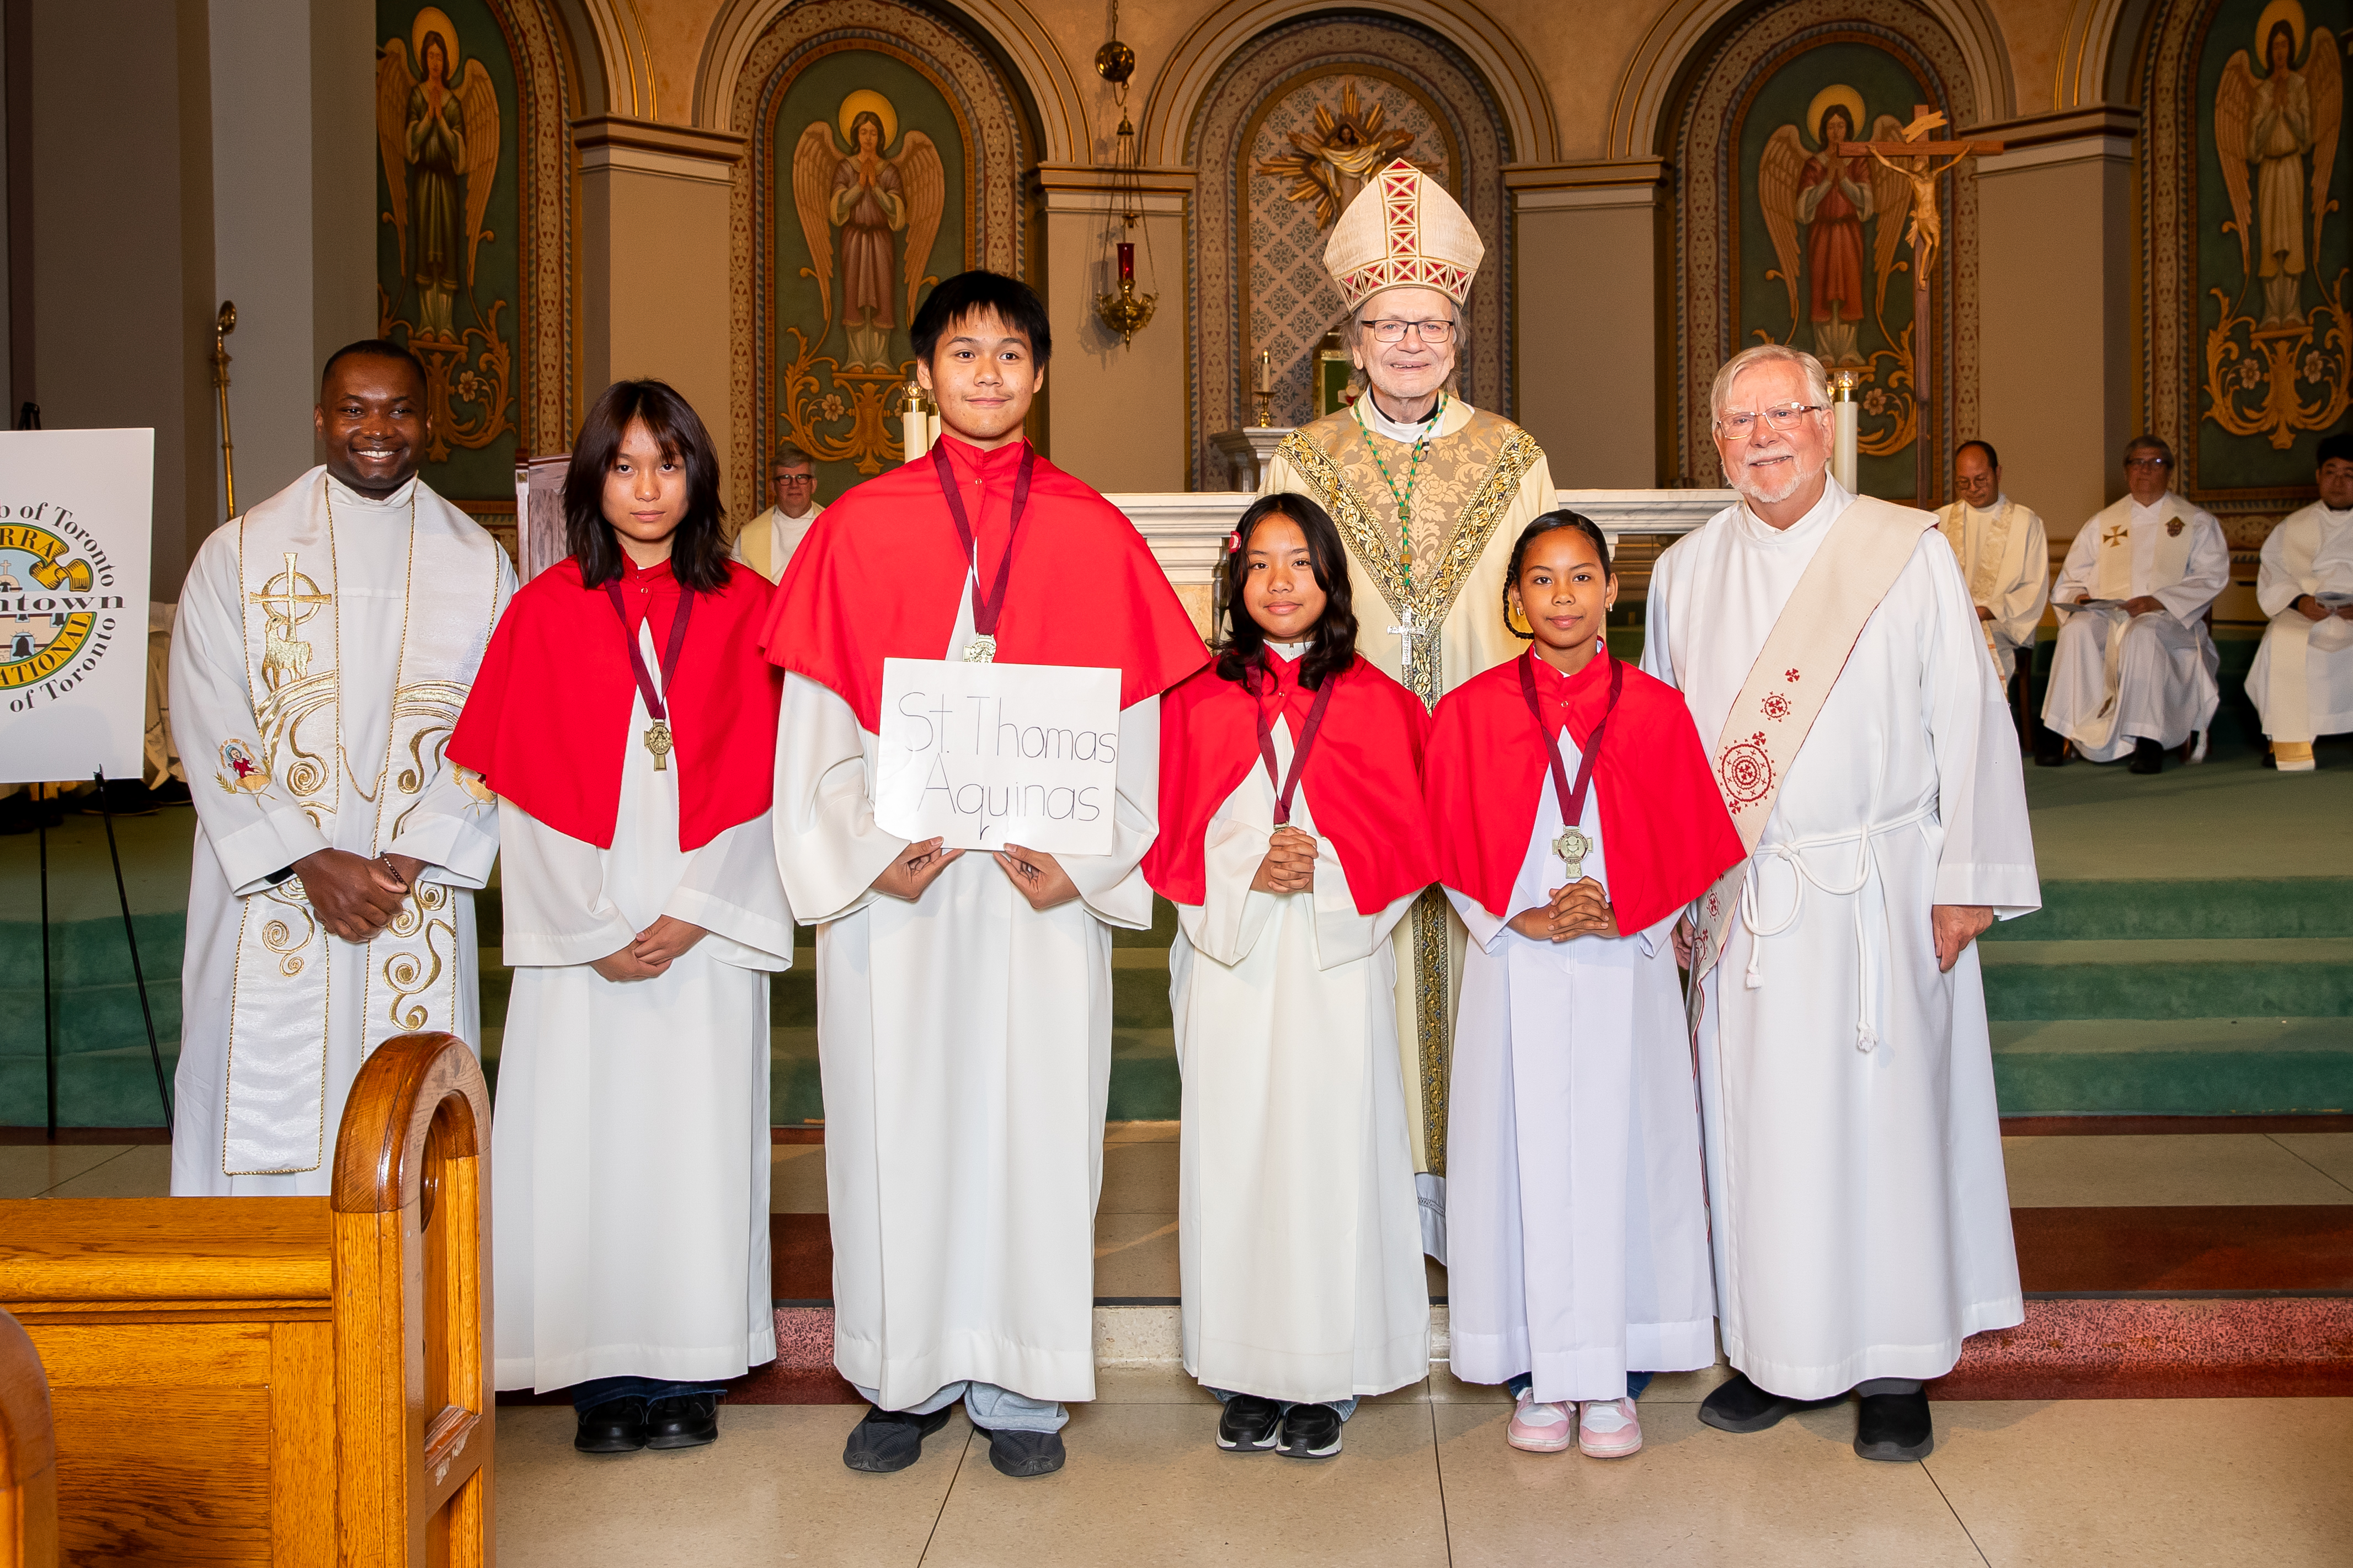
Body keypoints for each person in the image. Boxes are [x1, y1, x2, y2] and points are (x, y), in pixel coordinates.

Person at [765, 270, 1205, 1480]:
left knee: (1030, 1122)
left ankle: (1019, 1379)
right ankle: (899, 1374)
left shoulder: (1089, 527)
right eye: (963, 353)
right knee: (892, 1120)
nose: (988, 374)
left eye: (1011, 353)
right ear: (922, 373)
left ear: (1041, 373)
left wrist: (1088, 858)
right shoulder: (859, 527)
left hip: (1032, 893)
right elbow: (812, 723)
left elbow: (1135, 733)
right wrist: (862, 852)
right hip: (900, 893)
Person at [1644, 344, 2039, 1463]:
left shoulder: (1900, 551)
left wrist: (1967, 878)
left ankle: (1890, 1361)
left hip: (1882, 893)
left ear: (1827, 424)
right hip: (1749, 902)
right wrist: (1677, 886)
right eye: (1736, 418)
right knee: (1761, 1132)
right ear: (1711, 437)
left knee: (1884, 1131)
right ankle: (1776, 1351)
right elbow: (1671, 751)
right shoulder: (1683, 570)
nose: (1760, 435)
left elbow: (1966, 716)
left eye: (1783, 412)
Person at [450, 379, 789, 1453]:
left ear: (700, 474)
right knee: (583, 1143)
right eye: (626, 464)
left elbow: (772, 778)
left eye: (669, 462)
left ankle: (689, 1365)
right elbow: (521, 787)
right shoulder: (545, 608)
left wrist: (695, 911)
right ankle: (599, 1373)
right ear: (595, 478)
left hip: (703, 918)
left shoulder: (746, 603)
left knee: (695, 1141)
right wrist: (589, 925)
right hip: (584, 930)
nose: (648, 487)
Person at [1260, 157, 1555, 1259]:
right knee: (1366, 970)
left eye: (1429, 323)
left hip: (1485, 758)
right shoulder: (1304, 456)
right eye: (1387, 324)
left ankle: (1480, 1199)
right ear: (1351, 334)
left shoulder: (1512, 455)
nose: (1409, 343)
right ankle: (1380, 1204)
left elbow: (1549, 608)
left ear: (1457, 329)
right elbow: (1274, 607)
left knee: (1480, 962)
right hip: (1355, 764)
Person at [1428, 513, 1742, 1462]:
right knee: (1517, 1155)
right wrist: (1513, 912)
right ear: (1514, 600)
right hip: (1514, 960)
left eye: (1580, 578)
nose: (1561, 596)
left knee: (1625, 1153)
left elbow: (1689, 837)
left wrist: (1631, 907)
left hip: (1623, 961)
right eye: (1540, 580)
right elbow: (1444, 835)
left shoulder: (1654, 708)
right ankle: (1534, 1371)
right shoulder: (1475, 710)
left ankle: (1614, 1371)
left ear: (1611, 591)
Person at [168, 340, 513, 1195]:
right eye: (354, 408)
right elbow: (213, 720)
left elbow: (495, 723)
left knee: (405, 1121)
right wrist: (305, 855)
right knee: (257, 1096)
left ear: (430, 425)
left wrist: (406, 857)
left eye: (398, 409)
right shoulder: (238, 555)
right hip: (275, 883)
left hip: (412, 887)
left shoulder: (480, 565)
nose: (376, 429)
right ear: (320, 418)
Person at [1145, 494, 1435, 1460]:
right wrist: (1240, 866)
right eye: (1260, 563)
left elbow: (1410, 834)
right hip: (1231, 958)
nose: (1279, 582)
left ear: (1330, 580)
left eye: (1299, 563)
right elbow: (1164, 829)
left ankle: (1325, 1372)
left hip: (1330, 958)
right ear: (1235, 580)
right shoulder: (1192, 698)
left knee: (1328, 1155)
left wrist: (1332, 869)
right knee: (1235, 1154)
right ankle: (1243, 1368)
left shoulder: (1382, 703)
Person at [2039, 436, 2228, 774]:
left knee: (2143, 633)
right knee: (2078, 630)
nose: (2144, 470)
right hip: (2111, 617)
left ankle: (2148, 741)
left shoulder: (2195, 522)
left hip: (2170, 622)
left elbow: (2210, 576)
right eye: (2136, 463)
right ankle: (2058, 730)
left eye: (2154, 463)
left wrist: (2159, 601)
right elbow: (2071, 580)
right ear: (2126, 472)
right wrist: (2081, 599)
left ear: (2169, 471)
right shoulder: (2103, 523)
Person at [2249, 430, 2353, 770]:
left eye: (2349, 474)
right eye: (2331, 472)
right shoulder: (2293, 526)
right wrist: (2299, 602)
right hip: (2310, 613)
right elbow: (2274, 574)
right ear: (2318, 476)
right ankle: (2286, 739)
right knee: (2278, 640)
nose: (2338, 482)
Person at [1934, 440, 2050, 688]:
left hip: (2001, 624)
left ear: (1997, 473)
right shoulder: (1939, 521)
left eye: (1980, 479)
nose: (1972, 489)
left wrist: (1986, 611)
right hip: (1948, 622)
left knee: (1976, 644)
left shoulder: (2026, 523)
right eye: (1963, 482)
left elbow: (2032, 588)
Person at [734, 442, 824, 584]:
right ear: (773, 487)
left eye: (801, 478)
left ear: (813, 485)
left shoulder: (833, 527)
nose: (794, 485)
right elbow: (738, 588)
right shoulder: (750, 536)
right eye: (785, 479)